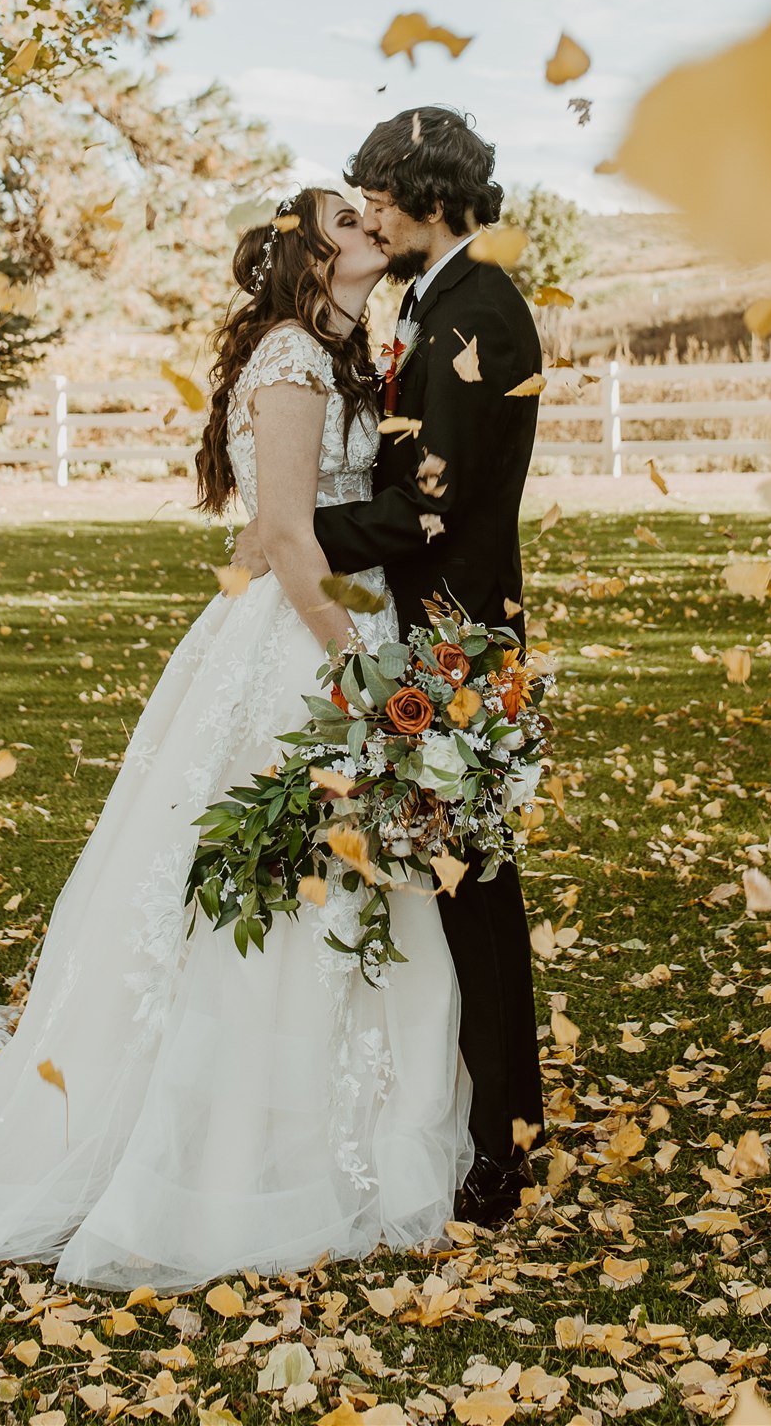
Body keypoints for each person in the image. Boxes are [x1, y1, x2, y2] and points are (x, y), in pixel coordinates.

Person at [0, 188, 470, 1289]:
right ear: (313, 260)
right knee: (282, 873)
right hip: (310, 641)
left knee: (336, 876)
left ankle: (329, 1104)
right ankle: (241, 1138)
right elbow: (289, 539)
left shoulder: (337, 353)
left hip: (330, 619)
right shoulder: (296, 359)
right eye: (349, 223)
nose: (372, 230)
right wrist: (354, 669)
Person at [235, 108, 544, 1227]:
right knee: (454, 887)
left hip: (455, 637)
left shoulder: (481, 310)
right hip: (421, 631)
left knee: (475, 889)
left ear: (432, 201)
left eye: (380, 203)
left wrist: (296, 541)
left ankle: (505, 1143)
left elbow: (428, 508)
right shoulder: (438, 301)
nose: (371, 218)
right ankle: (491, 1118)